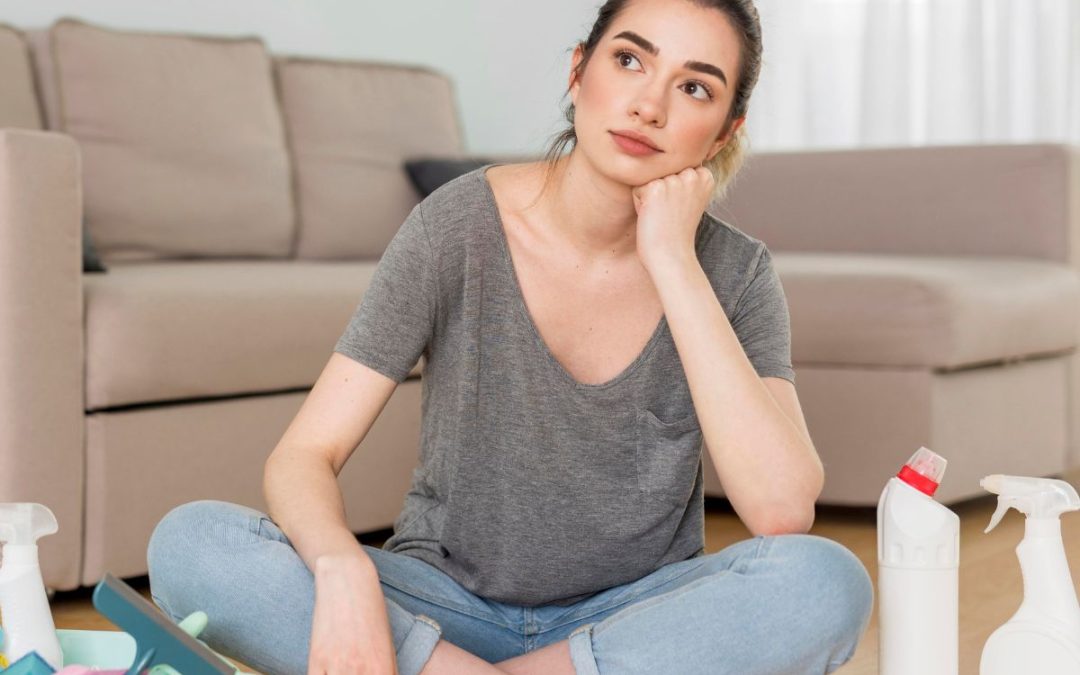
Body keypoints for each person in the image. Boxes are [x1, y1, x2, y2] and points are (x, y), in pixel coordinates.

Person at [147, 0, 874, 673]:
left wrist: (673, 260)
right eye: (629, 60)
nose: (648, 105)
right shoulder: (454, 225)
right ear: (578, 70)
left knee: (825, 583)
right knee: (192, 544)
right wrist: (344, 573)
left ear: (724, 133)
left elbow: (781, 509)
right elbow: (305, 453)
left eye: (694, 88)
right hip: (440, 608)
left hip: (629, 623)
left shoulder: (736, 272)